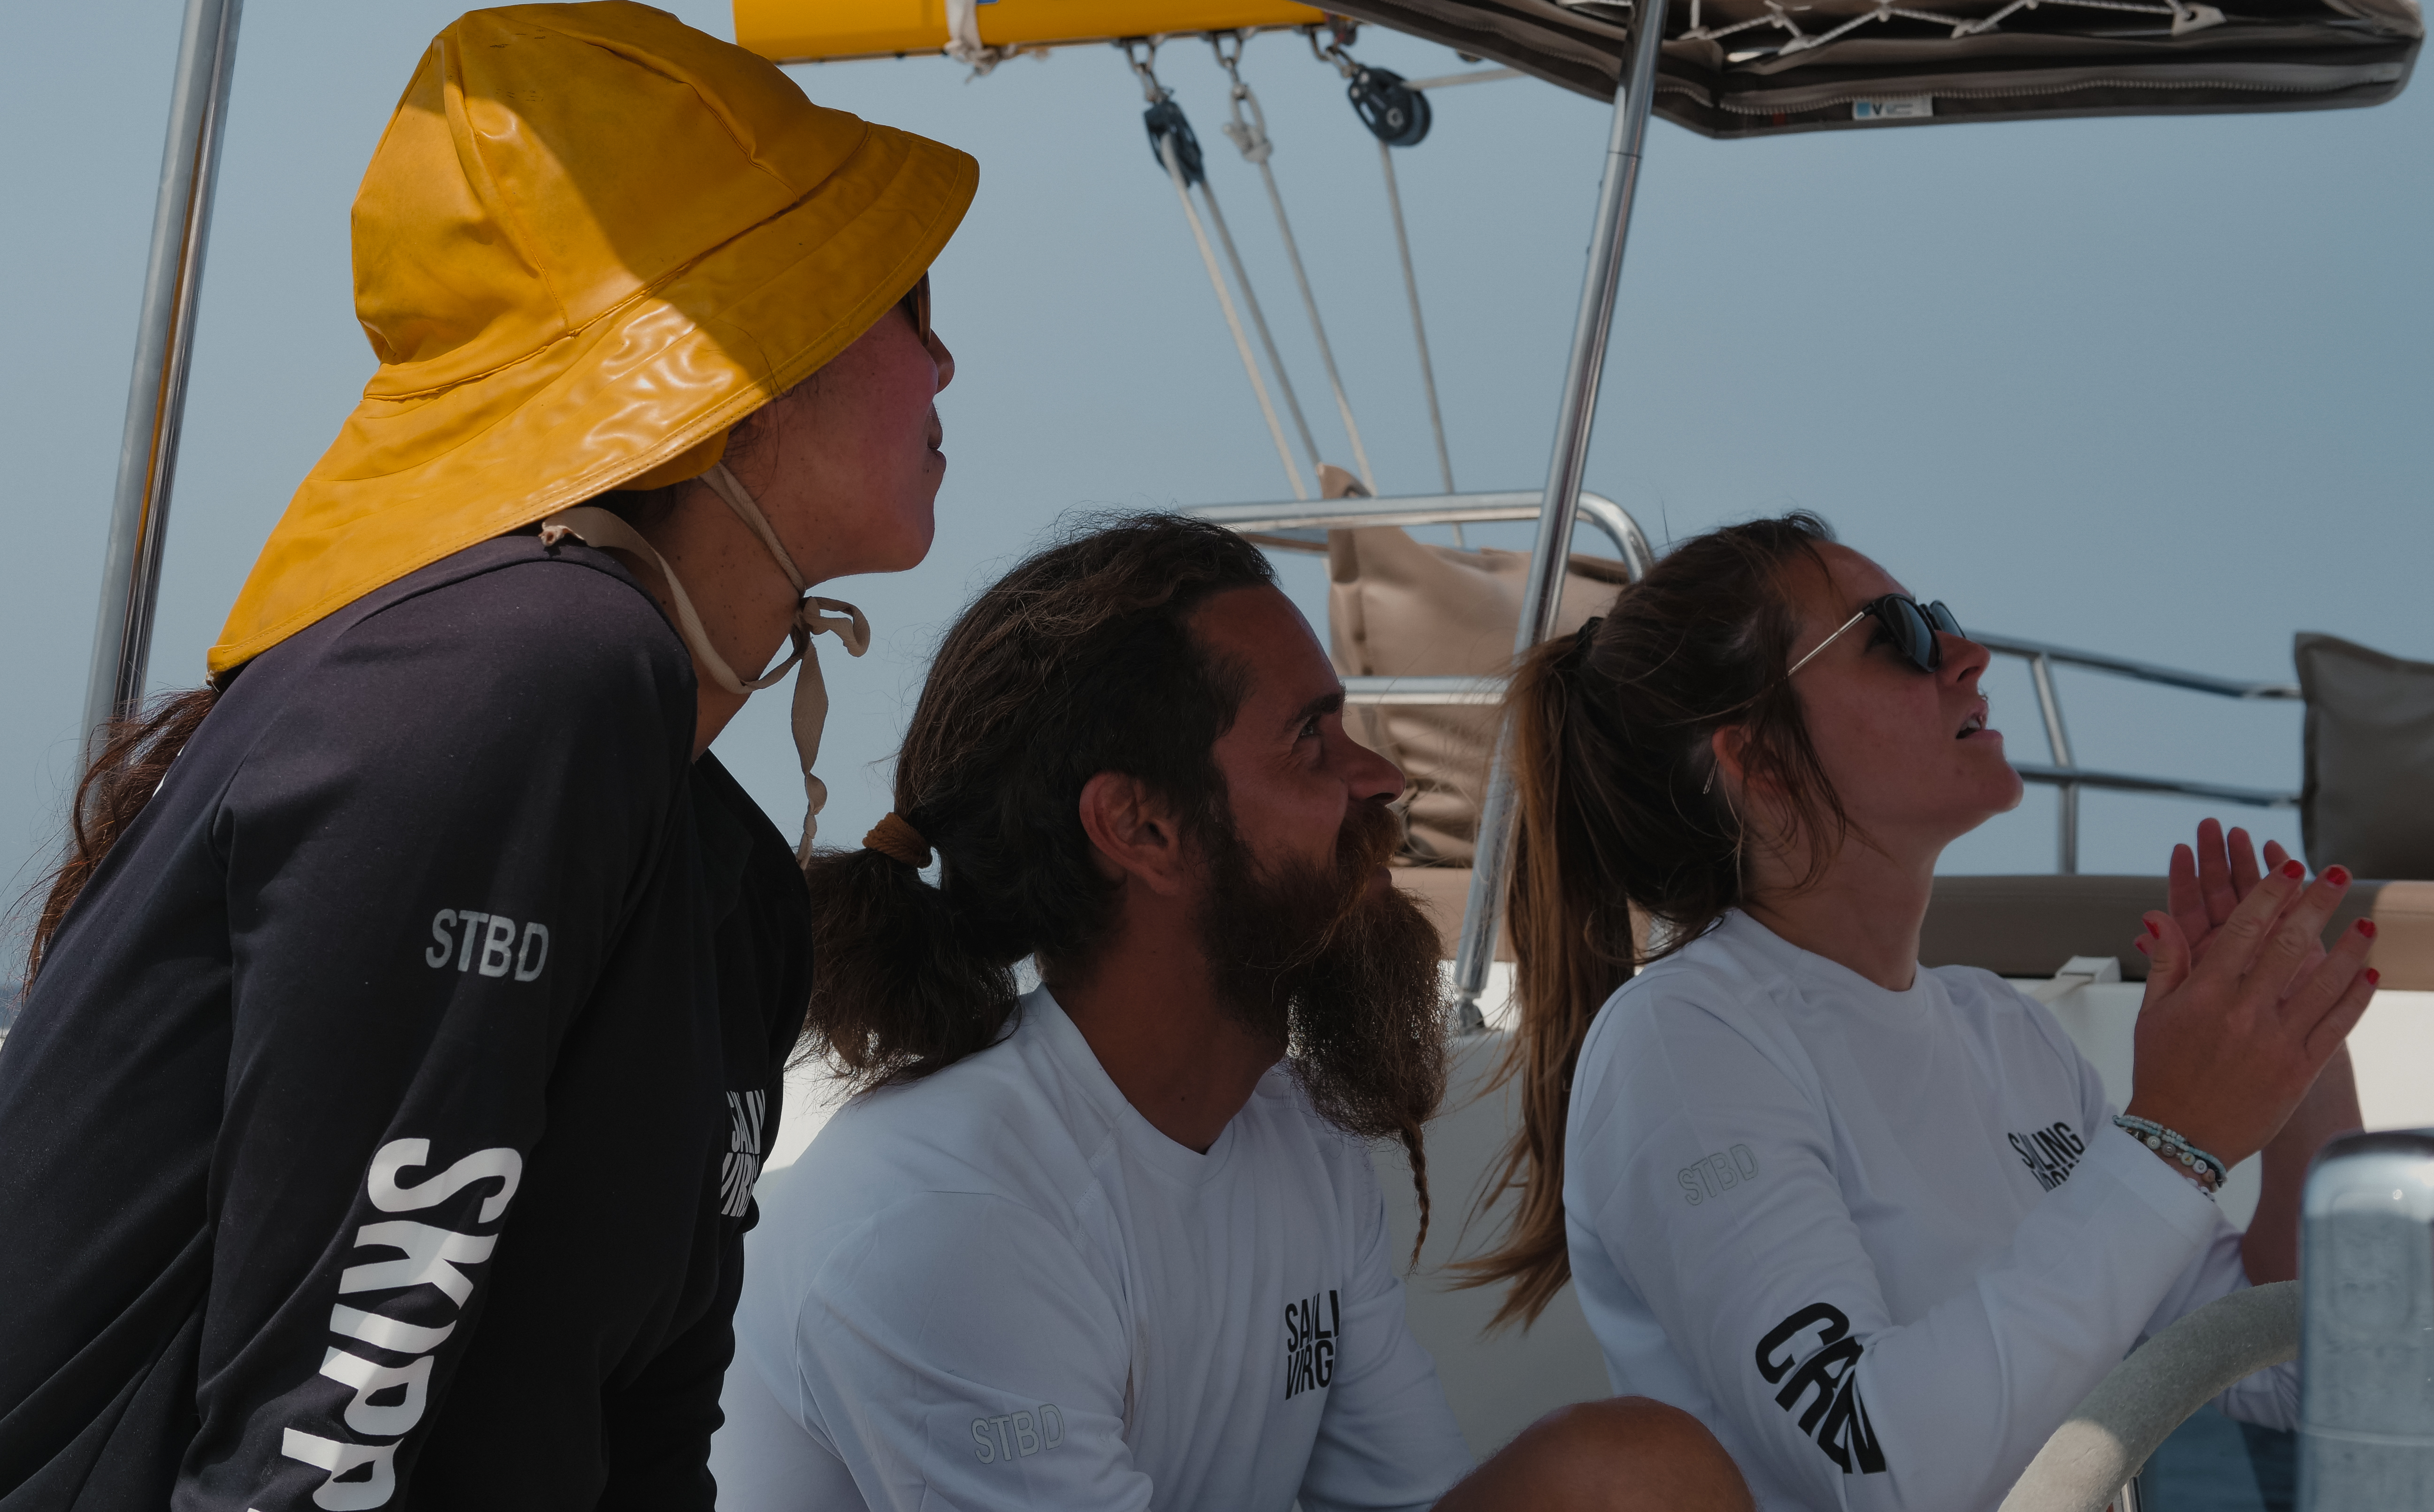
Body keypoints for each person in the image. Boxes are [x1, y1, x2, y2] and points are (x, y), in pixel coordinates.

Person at [0, 1, 976, 1510]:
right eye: (907, 299)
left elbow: (647, 1446)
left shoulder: (721, 872)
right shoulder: (526, 678)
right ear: (750, 363)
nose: (948, 362)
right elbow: (310, 1444)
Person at [712, 515, 1753, 1512]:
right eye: (1311, 741)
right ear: (1143, 826)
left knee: (1633, 1477)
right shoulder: (953, 1218)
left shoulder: (1292, 1142)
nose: (1384, 778)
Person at [1458, 512, 2374, 1512]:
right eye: (1900, 632)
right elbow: (1883, 1465)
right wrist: (2171, 1142)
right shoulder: (1683, 1042)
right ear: (1759, 764)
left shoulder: (2005, 1033)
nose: (1969, 655)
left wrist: (2296, 1033)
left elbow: (2295, 1380)